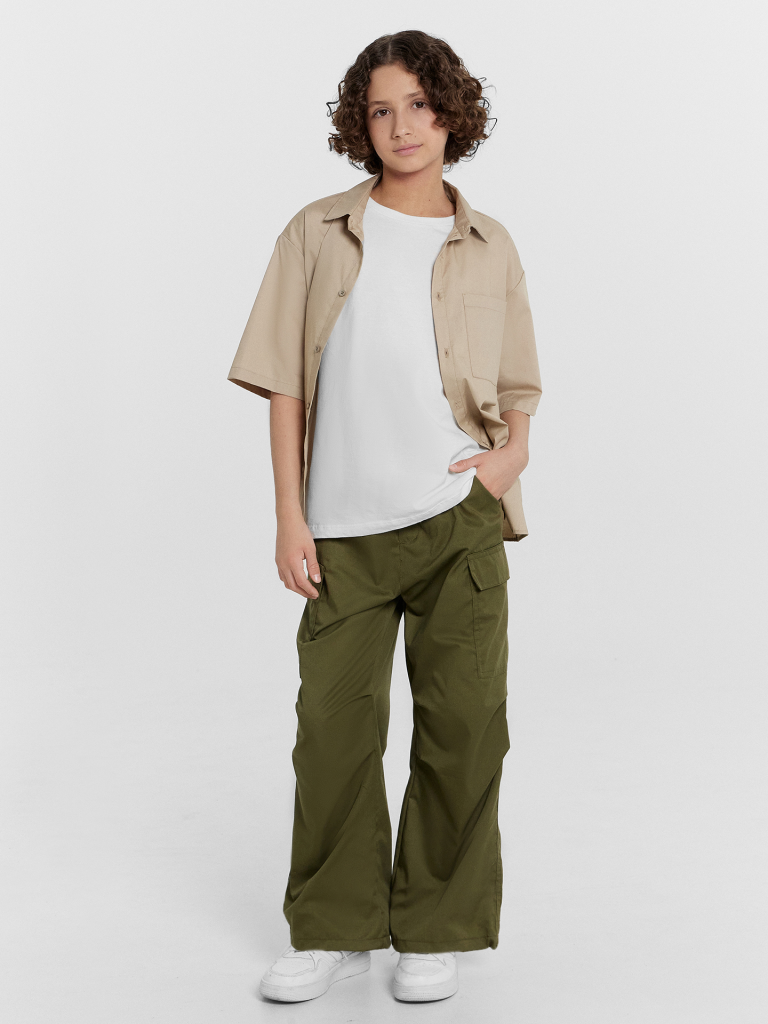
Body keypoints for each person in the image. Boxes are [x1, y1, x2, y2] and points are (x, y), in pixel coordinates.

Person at [227, 29, 542, 1003]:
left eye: (418, 104)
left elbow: (519, 381)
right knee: (331, 731)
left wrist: (512, 455)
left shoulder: (489, 244)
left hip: (458, 521)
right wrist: (289, 515)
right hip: (343, 532)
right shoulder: (317, 232)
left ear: (451, 113)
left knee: (464, 728)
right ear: (359, 125)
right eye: (380, 109)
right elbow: (284, 380)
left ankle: (434, 929)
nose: (401, 125)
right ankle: (334, 928)